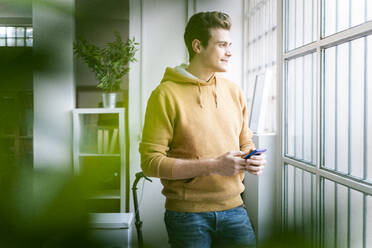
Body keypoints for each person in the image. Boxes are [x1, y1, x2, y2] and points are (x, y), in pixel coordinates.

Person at [139, 11, 266, 248]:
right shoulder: (164, 95)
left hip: (235, 209)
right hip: (187, 217)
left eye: (230, 45)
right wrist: (215, 165)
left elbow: (244, 140)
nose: (229, 52)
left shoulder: (234, 91)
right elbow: (150, 163)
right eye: (221, 45)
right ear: (197, 46)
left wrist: (252, 156)